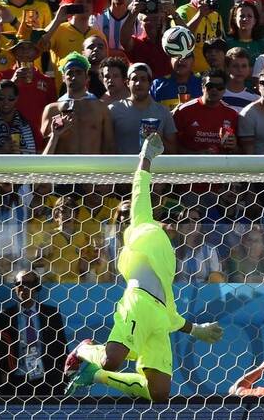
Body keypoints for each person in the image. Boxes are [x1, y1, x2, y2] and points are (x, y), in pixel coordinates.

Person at [64, 133, 224, 402]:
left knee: (158, 392)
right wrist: (146, 156)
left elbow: (170, 313)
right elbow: (140, 187)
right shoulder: (142, 224)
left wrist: (197, 330)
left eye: (181, 219)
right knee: (110, 360)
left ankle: (95, 375)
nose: (175, 223)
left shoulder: (169, 261)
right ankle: (85, 349)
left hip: (159, 318)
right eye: (171, 217)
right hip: (138, 303)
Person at [0, 269, 69, 397]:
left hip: (46, 380)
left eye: (29, 284)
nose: (23, 288)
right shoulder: (4, 316)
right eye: (19, 284)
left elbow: (61, 348)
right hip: (15, 381)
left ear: (37, 287)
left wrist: (63, 378)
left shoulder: (51, 314)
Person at [42, 52, 115, 154]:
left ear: (87, 77)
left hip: (92, 168)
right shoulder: (52, 109)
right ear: (63, 78)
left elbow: (109, 146)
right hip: (63, 168)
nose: (74, 77)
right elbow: (43, 147)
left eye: (79, 72)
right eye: (70, 73)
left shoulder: (101, 108)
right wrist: (55, 134)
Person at [108, 61, 178, 153]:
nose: (138, 83)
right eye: (134, 79)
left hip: (154, 166)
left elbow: (173, 150)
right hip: (124, 167)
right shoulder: (113, 109)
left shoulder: (163, 112)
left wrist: (158, 139)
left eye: (143, 79)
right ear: (127, 83)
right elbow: (106, 147)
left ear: (150, 84)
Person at [173, 68, 240, 154]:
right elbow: (172, 146)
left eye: (219, 87)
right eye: (210, 86)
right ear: (202, 87)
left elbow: (243, 151)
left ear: (224, 89)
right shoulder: (184, 111)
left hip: (222, 165)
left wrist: (234, 147)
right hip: (191, 166)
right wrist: (197, 155)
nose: (214, 90)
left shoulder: (232, 114)